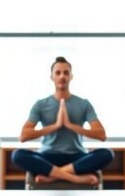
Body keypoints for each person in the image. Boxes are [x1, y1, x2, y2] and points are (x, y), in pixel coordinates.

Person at [12, 56, 114, 185]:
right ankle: (75, 178)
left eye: (66, 73)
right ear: (52, 77)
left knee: (107, 154)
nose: (62, 76)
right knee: (18, 155)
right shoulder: (41, 104)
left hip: (77, 156)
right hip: (47, 156)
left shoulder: (84, 104)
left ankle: (53, 176)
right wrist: (56, 126)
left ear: (71, 76)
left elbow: (101, 135)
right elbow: (23, 136)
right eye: (58, 73)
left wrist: (70, 125)